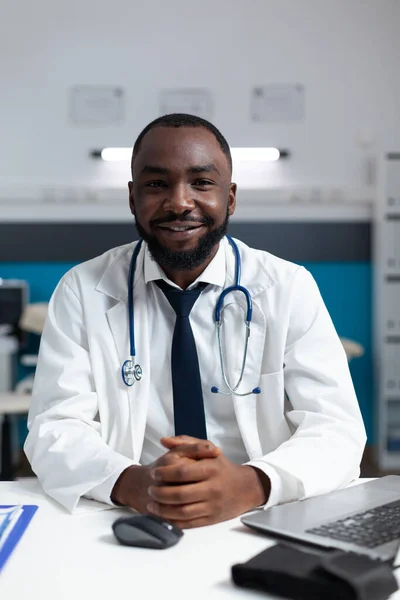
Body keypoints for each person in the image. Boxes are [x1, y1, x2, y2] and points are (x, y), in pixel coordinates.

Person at [25, 113, 366, 528]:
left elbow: (337, 429)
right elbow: (54, 427)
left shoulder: (287, 287)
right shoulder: (83, 288)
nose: (179, 202)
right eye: (156, 184)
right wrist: (134, 483)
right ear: (133, 198)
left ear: (231, 198)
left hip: (260, 512)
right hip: (128, 512)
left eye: (201, 183)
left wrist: (252, 483)